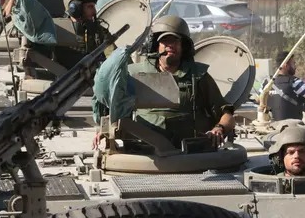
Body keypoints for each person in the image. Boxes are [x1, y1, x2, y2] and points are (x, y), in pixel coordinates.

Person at [95, 15, 235, 150]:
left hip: (190, 152)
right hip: (143, 150)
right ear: (156, 46)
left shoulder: (198, 75)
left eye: (175, 41)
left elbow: (226, 114)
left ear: (183, 46)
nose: (170, 45)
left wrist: (219, 128)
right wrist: (105, 130)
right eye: (165, 41)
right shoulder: (133, 74)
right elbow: (116, 108)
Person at [53, 0, 113, 69]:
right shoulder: (58, 30)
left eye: (94, 6)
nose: (95, 12)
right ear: (75, 8)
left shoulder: (98, 30)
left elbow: (112, 53)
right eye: (90, 7)